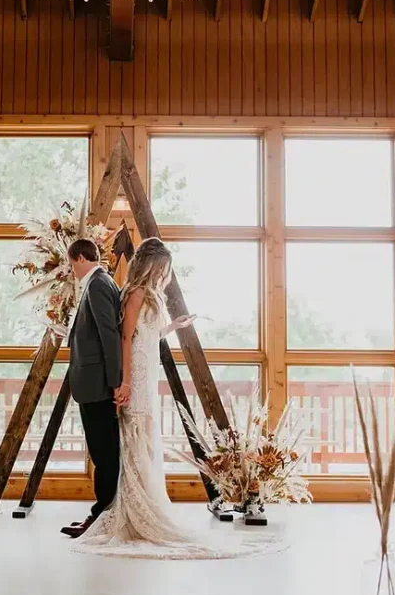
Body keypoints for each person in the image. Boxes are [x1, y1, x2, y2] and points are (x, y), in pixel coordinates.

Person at [71, 237, 269, 559]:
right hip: (135, 376)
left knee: (146, 440)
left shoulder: (150, 297)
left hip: (148, 375)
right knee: (135, 441)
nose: (166, 274)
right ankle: (130, 511)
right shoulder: (134, 294)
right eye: (163, 268)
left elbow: (146, 335)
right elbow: (125, 338)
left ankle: (145, 503)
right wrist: (124, 381)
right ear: (151, 266)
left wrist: (171, 327)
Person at [60, 238, 124, 539]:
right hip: (95, 383)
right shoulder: (100, 282)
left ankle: (102, 516)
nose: (72, 271)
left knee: (104, 453)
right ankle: (102, 514)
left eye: (73, 264)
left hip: (98, 385)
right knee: (103, 451)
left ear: (82, 257)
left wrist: (115, 381)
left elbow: (109, 334)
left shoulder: (98, 284)